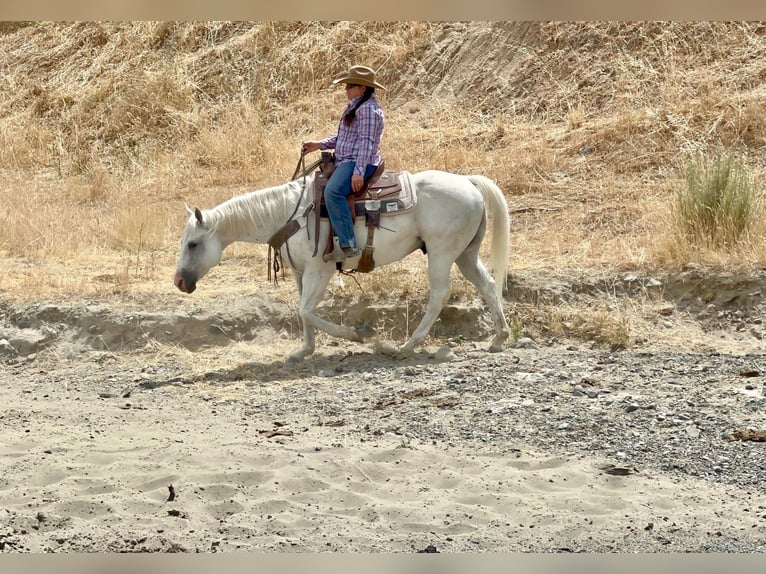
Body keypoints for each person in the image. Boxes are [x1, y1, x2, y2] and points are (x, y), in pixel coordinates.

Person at [302, 64, 385, 262]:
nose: (345, 89)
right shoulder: (357, 106)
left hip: (358, 161)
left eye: (349, 85)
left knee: (333, 192)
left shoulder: (367, 110)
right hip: (348, 160)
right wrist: (320, 144)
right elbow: (345, 137)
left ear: (362, 88)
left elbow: (366, 143)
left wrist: (358, 171)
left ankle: (348, 243)